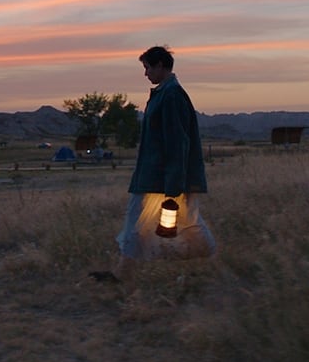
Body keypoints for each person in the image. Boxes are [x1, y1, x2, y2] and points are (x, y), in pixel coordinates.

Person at [91, 45, 216, 283]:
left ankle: (209, 259)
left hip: (162, 176)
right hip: (153, 174)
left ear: (160, 66)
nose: (145, 73)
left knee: (181, 221)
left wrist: (173, 185)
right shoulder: (164, 94)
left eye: (147, 67)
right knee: (139, 221)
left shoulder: (172, 96)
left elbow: (178, 142)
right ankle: (122, 272)